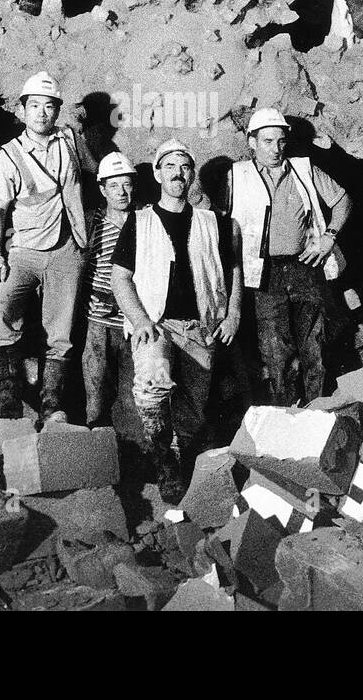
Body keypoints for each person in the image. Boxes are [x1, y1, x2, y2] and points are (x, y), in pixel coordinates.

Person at [111, 140, 242, 503]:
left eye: (184, 166)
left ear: (192, 173)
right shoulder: (140, 221)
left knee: (193, 413)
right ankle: (166, 469)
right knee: (153, 382)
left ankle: (183, 472)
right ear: (157, 173)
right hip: (157, 323)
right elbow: (119, 277)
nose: (177, 173)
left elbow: (233, 271)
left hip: (201, 326)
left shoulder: (212, 221)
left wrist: (232, 314)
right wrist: (139, 320)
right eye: (169, 166)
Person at [0, 72, 89, 422]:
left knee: (61, 329)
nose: (42, 113)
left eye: (49, 106)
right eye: (35, 106)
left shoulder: (70, 141)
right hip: (23, 250)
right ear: (22, 110)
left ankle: (52, 403)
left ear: (57, 111)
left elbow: (93, 174)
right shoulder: (8, 156)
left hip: (66, 248)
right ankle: (7, 396)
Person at [226, 107, 352, 406]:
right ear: (252, 142)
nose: (276, 149)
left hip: (304, 266)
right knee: (275, 352)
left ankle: (316, 411)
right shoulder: (237, 176)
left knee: (315, 347)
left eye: (281, 141)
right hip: (262, 273)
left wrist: (328, 237)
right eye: (268, 141)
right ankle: (284, 415)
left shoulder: (303, 169)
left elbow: (343, 199)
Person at [82, 152, 136, 428]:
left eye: (126, 184)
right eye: (114, 185)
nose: (122, 192)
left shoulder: (144, 220)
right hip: (98, 320)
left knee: (132, 396)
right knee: (97, 392)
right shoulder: (91, 222)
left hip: (133, 319)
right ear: (102, 188)